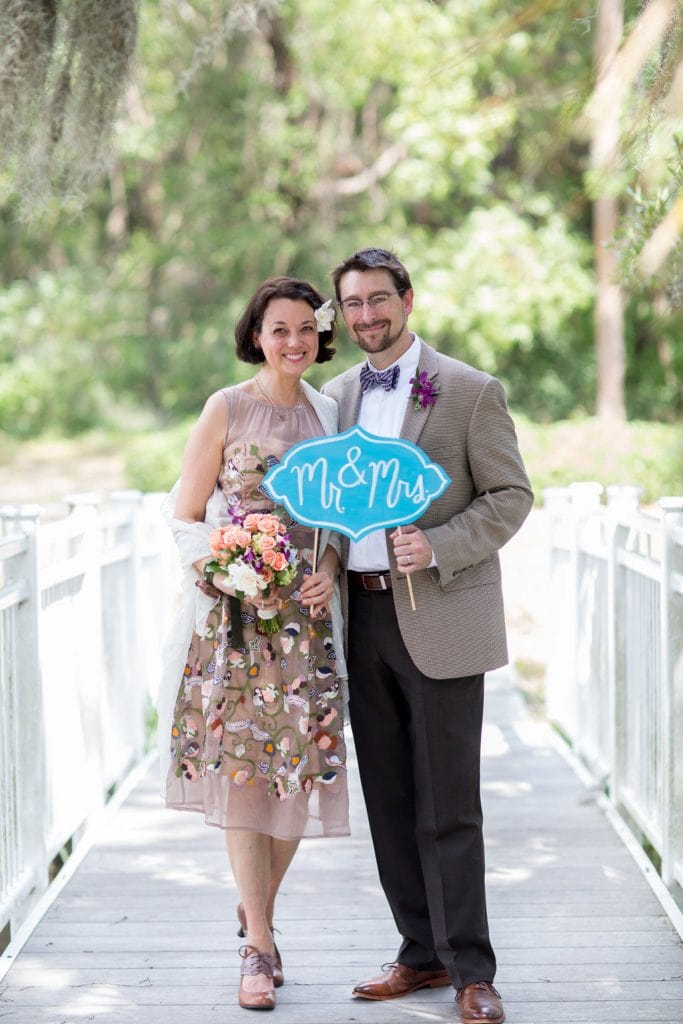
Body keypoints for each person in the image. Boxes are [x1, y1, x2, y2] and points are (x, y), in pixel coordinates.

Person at [322, 248, 533, 1024]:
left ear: (406, 300)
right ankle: (419, 954)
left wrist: (439, 546)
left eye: (379, 300)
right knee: (389, 796)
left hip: (440, 611)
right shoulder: (334, 397)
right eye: (353, 305)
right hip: (361, 617)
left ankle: (472, 971)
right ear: (340, 315)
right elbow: (326, 508)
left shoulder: (469, 391)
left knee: (450, 804)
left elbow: (511, 494)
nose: (367, 316)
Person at [157, 277, 348, 1012]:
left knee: (296, 777)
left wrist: (326, 570)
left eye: (305, 329)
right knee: (242, 775)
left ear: (317, 337)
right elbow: (184, 513)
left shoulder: (330, 416)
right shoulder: (226, 407)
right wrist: (221, 568)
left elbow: (336, 524)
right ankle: (259, 948)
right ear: (256, 334)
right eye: (279, 329)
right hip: (236, 629)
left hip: (305, 631)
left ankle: (256, 903)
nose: (294, 341)